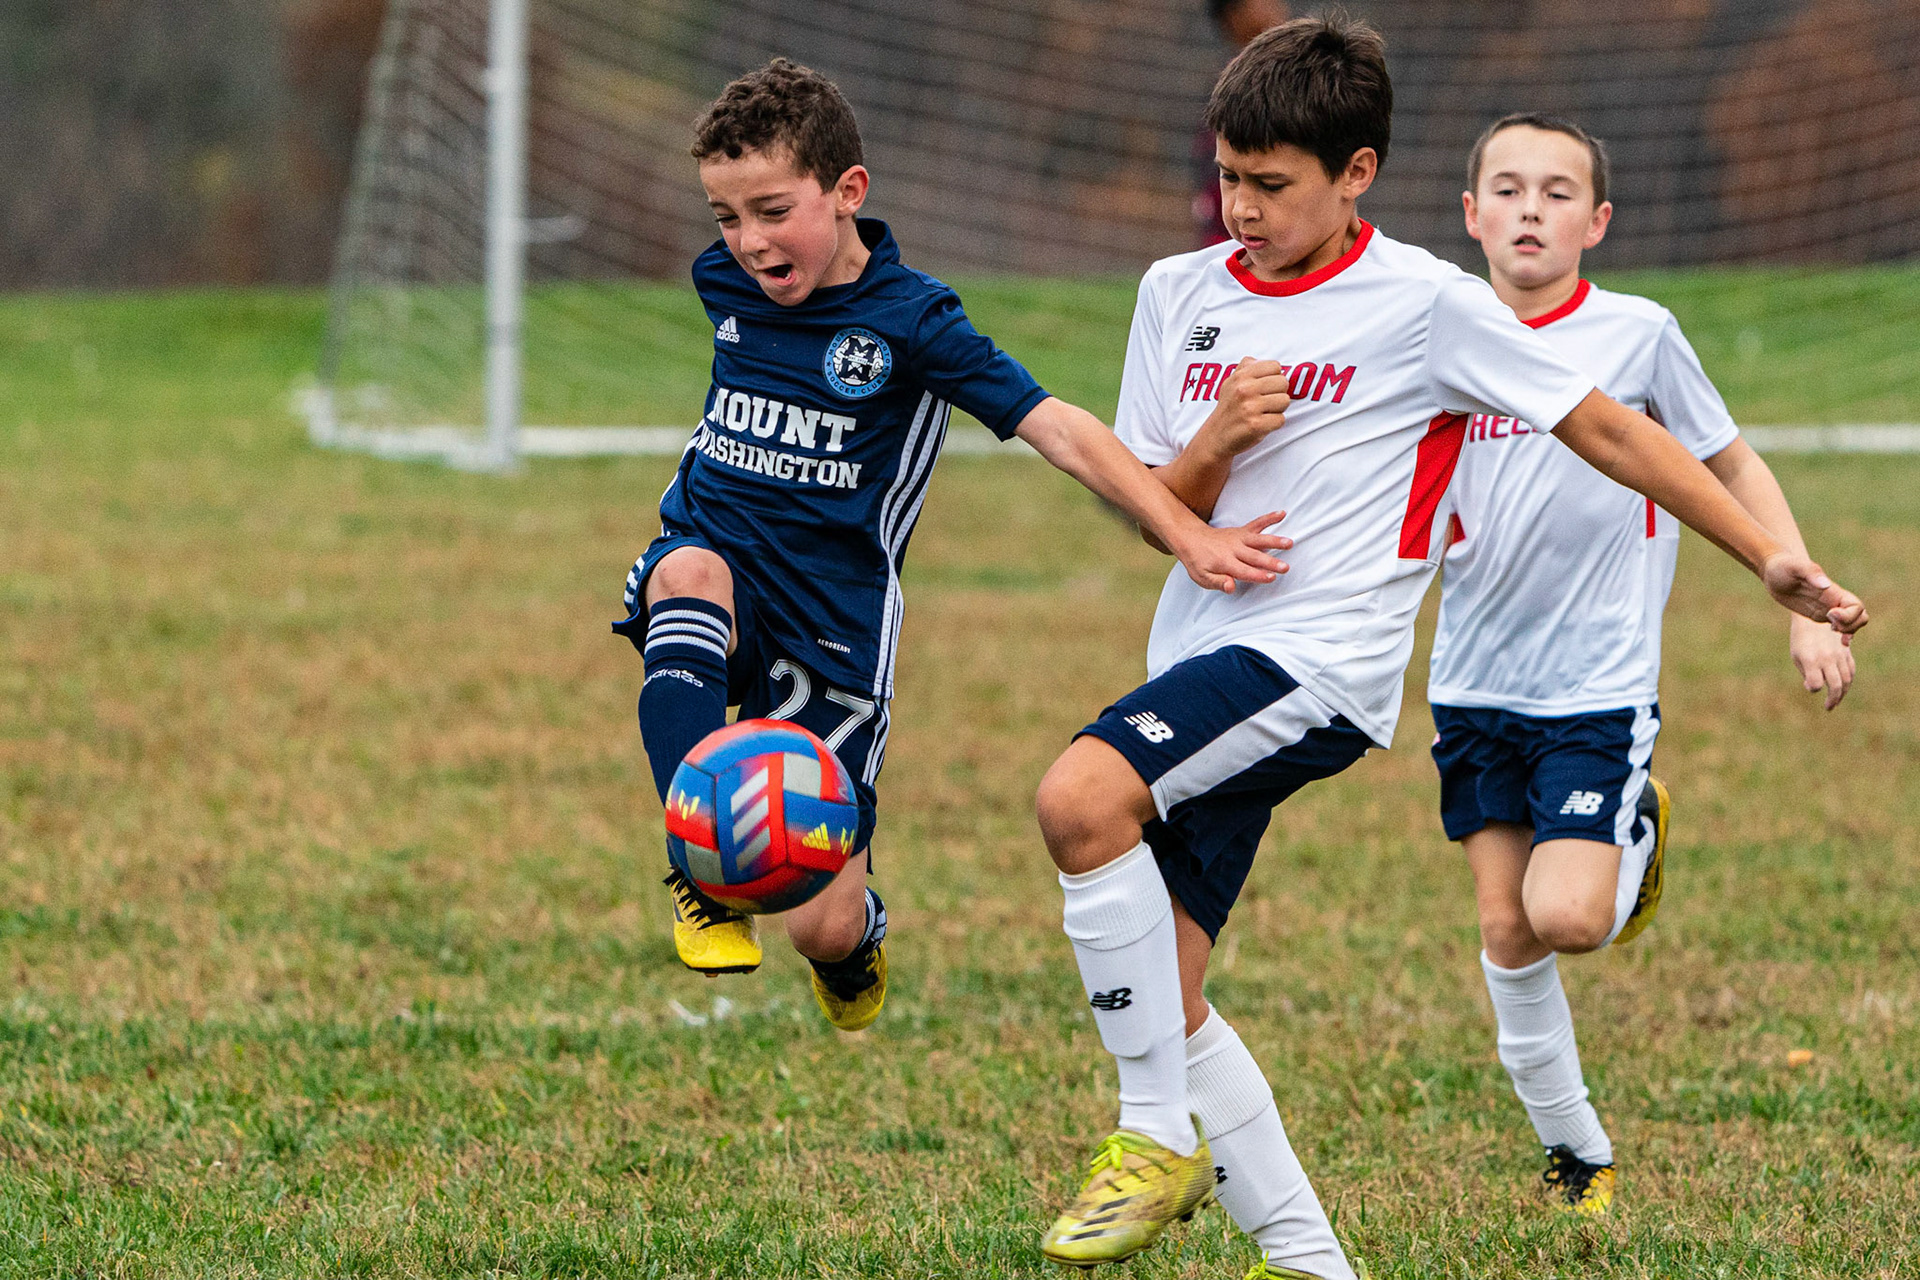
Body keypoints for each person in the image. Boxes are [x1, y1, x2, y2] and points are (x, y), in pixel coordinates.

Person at [1032, 16, 1867, 1277]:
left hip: (1320, 664)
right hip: (1197, 656)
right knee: (1171, 988)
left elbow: (1611, 432)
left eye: (1272, 184)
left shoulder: (1426, 300)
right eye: (1229, 178)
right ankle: (1318, 1264)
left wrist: (1764, 554)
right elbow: (1158, 505)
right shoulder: (1177, 295)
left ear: (1355, 173)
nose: (1241, 208)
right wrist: (1217, 443)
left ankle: (1152, 1134)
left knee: (1077, 796)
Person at [617, 58, 1292, 1033]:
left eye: (771, 210)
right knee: (688, 573)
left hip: (833, 625)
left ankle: (854, 944)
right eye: (726, 217)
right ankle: (700, 858)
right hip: (717, 553)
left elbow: (1056, 425)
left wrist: (1185, 530)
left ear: (849, 191)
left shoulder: (915, 322)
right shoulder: (722, 280)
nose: (747, 242)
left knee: (817, 918)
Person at [1426, 113, 1855, 1215]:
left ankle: (1636, 825)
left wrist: (1799, 598)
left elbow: (1730, 459)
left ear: (1599, 221)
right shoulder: (1438, 334)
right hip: (1472, 682)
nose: (1531, 209)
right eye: (1508, 190)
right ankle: (1578, 1152)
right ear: (1470, 215)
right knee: (1507, 928)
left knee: (1567, 914)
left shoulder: (1638, 332)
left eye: (1558, 192)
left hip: (1595, 684)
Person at [1194, 0, 1293, 247]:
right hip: (1238, 244)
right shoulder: (1233, 92)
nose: (1276, 6)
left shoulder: (1294, 78)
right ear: (1233, 16)